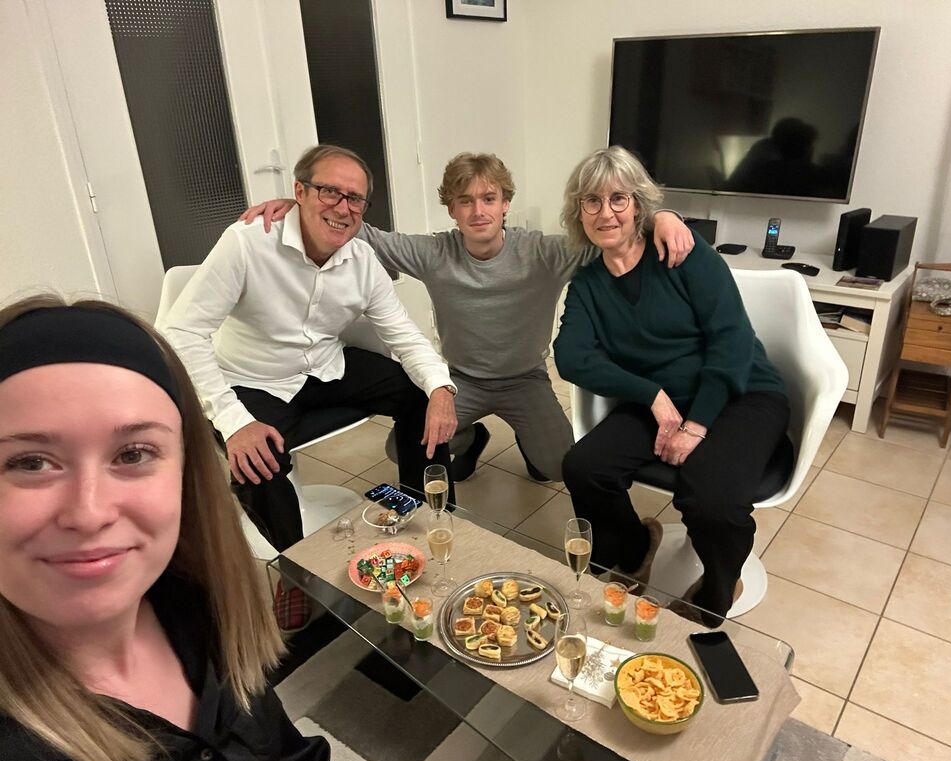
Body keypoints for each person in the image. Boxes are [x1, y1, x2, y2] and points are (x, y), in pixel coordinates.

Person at [0, 296, 330, 761]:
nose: (89, 514)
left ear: (186, 475)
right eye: (30, 462)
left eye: (133, 454)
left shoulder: (195, 603)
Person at [241, 152, 693, 483]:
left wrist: (664, 217)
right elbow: (361, 230)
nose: (478, 211)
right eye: (465, 201)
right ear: (451, 209)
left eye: (489, 198)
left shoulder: (543, 252)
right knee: (403, 451)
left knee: (559, 467)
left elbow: (612, 234)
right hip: (461, 381)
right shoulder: (434, 253)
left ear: (505, 204)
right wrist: (300, 204)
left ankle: (531, 444)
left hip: (525, 379)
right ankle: (471, 441)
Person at [159, 144, 458, 554]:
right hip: (252, 378)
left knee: (421, 394)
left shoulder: (362, 260)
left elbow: (404, 335)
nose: (342, 207)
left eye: (355, 198)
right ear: (299, 191)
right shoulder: (247, 244)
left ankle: (427, 513)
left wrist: (440, 388)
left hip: (324, 366)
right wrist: (233, 420)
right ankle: (297, 566)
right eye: (329, 191)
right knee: (256, 465)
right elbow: (180, 332)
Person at [554, 147, 790, 626]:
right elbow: (570, 357)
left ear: (638, 204)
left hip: (743, 393)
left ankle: (719, 587)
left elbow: (732, 340)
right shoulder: (588, 284)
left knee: (710, 498)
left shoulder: (681, 253)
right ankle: (635, 547)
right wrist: (653, 397)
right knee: (584, 466)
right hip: (661, 402)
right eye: (591, 201)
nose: (606, 213)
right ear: (579, 212)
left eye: (618, 199)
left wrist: (697, 424)